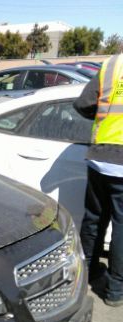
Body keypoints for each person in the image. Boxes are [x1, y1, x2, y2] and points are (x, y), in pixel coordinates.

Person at [74, 54, 123, 307]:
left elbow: (83, 103)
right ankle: (115, 290)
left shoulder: (111, 65)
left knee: (94, 218)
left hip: (100, 154)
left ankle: (86, 274)